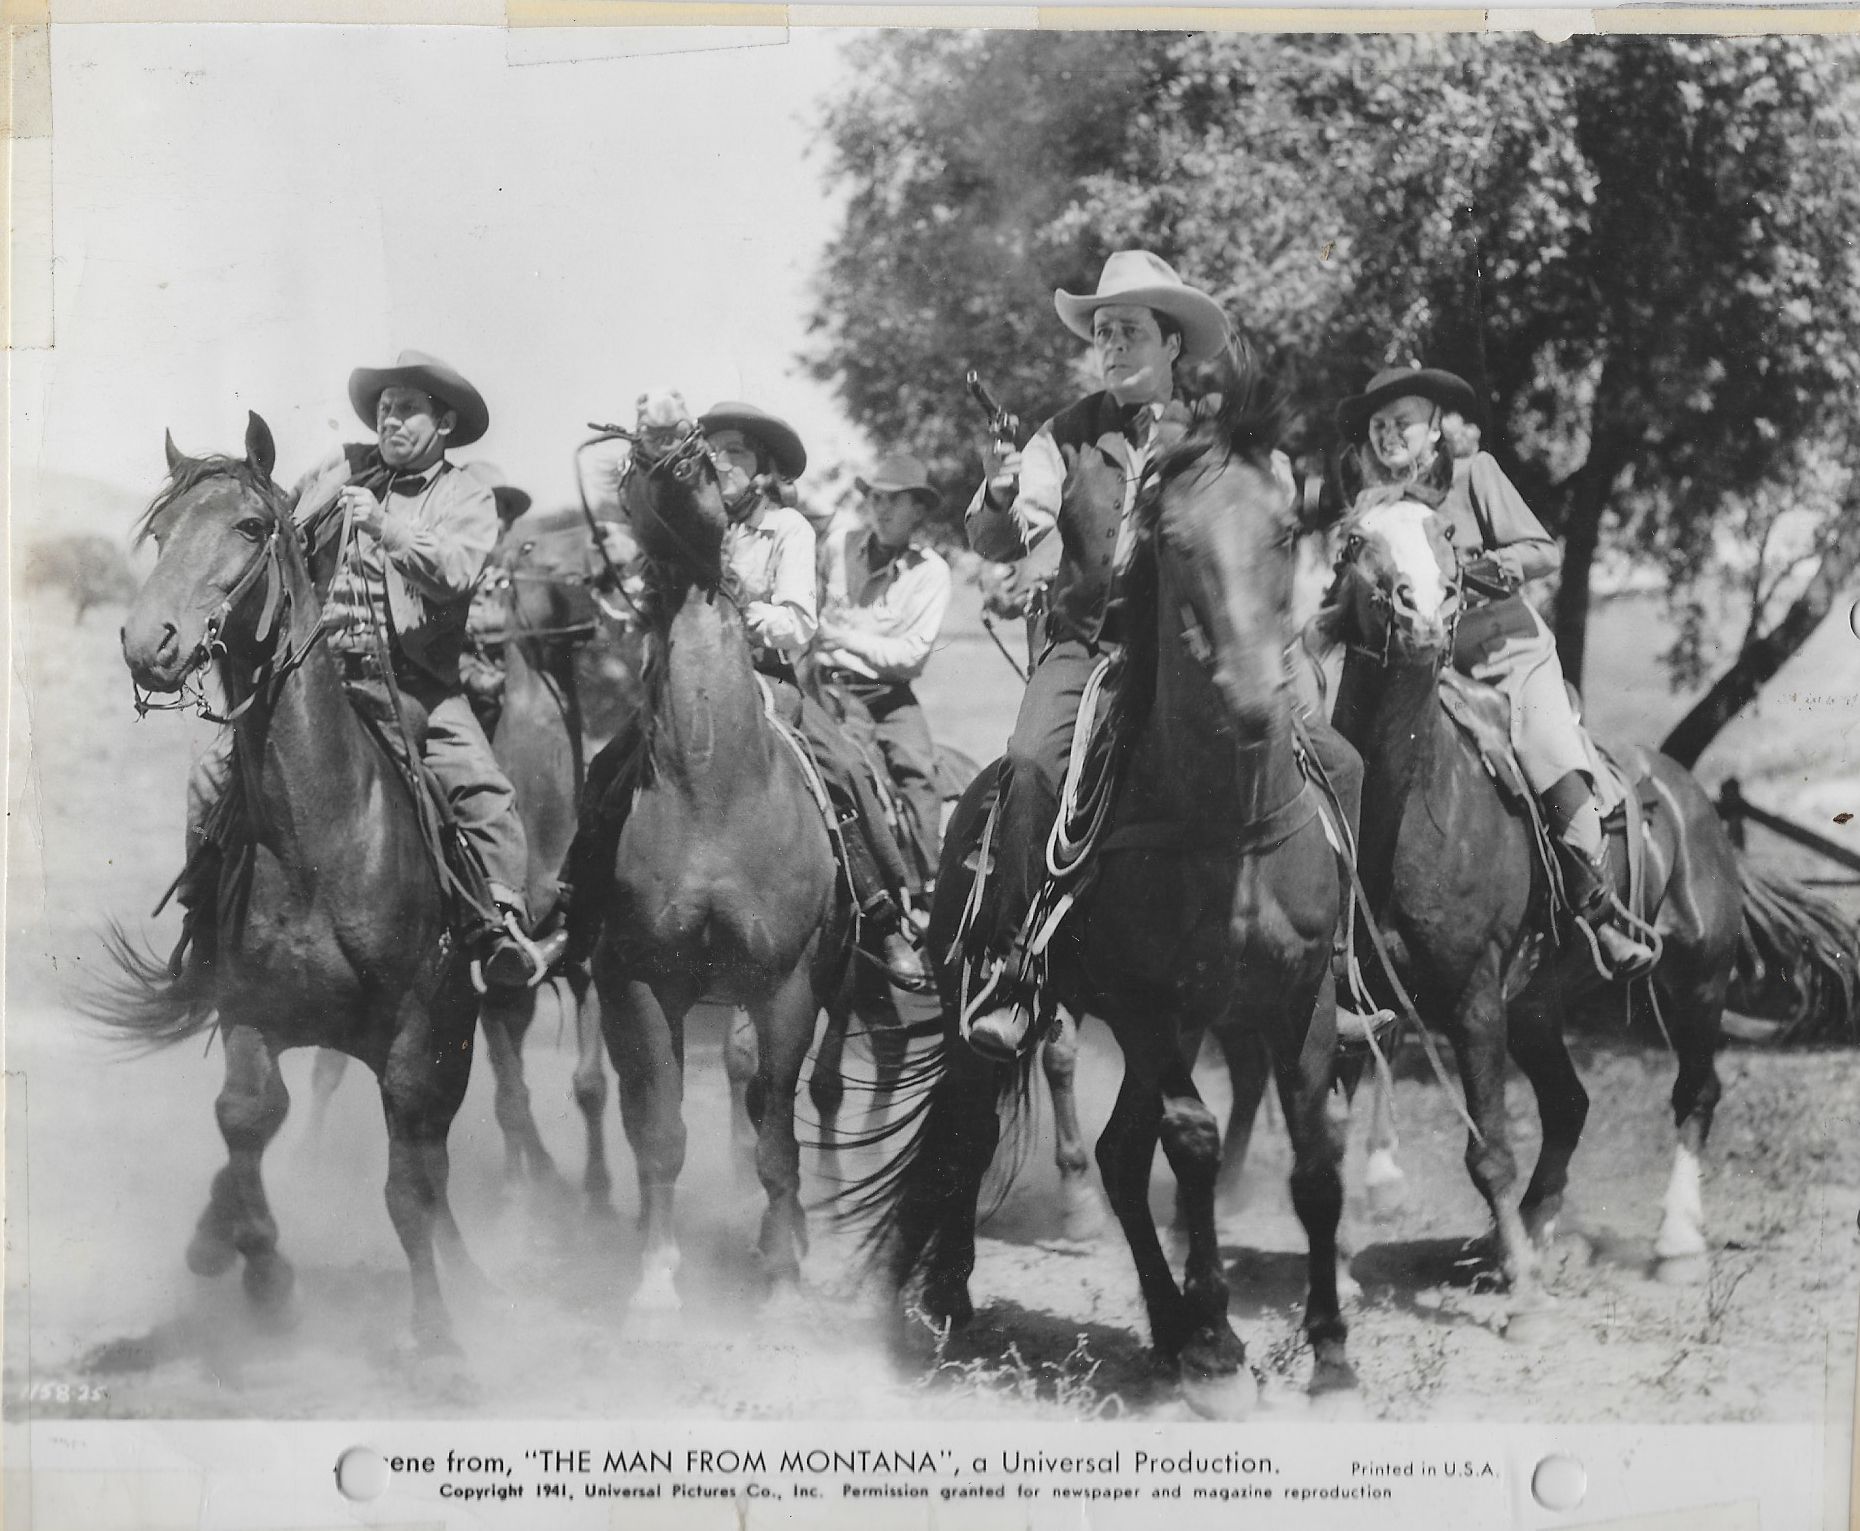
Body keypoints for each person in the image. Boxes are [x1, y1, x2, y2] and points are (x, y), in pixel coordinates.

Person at [959, 250, 1374, 1060]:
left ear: (1172, 344)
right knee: (1032, 762)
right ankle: (1019, 968)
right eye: (1104, 333)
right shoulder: (1062, 438)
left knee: (1344, 765)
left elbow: (1271, 517)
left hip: (1202, 654)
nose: (1112, 346)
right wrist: (1004, 493)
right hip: (1092, 649)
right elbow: (1005, 534)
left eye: (1130, 332)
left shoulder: (1223, 438)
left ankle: (1341, 968)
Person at [179, 351, 562, 989]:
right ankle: (204, 918)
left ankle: (499, 929)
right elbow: (282, 522)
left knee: (484, 791)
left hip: (415, 686)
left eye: (408, 409)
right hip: (312, 675)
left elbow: (455, 572)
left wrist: (387, 528)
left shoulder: (465, 495)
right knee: (212, 773)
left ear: (444, 424)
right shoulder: (342, 465)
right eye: (385, 409)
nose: (391, 420)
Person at [563, 402, 928, 988]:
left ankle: (883, 913)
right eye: (717, 450)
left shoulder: (787, 529)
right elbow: (637, 610)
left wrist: (736, 619)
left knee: (843, 766)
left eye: (738, 451)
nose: (723, 461)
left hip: (765, 682)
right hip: (682, 686)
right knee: (609, 765)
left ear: (764, 469)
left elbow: (797, 623)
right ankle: (575, 913)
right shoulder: (687, 530)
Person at [1333, 363, 1656, 976]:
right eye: (1378, 425)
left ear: (1434, 429)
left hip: (1510, 659)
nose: (1387, 435)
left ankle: (1599, 911)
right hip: (1432, 671)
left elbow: (1542, 552)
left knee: (1544, 747)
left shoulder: (1474, 473)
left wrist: (1463, 570)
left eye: (1402, 421)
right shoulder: (1373, 504)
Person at [812, 454, 954, 894]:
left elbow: (911, 657)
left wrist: (843, 636)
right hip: (826, 684)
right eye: (876, 497)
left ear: (919, 511)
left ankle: (928, 885)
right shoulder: (836, 547)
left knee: (918, 773)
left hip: (889, 694)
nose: (883, 508)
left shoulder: (931, 572)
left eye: (896, 500)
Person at [458, 463, 533, 737]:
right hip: (457, 706)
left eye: (505, 513)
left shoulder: (514, 577)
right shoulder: (438, 573)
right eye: (491, 511)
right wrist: (475, 679)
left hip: (511, 704)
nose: (501, 523)